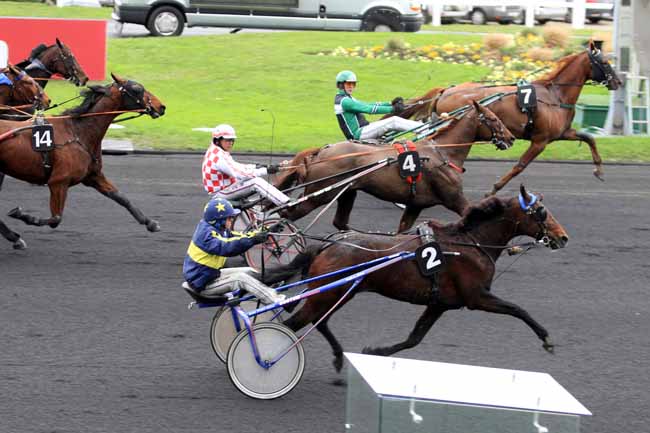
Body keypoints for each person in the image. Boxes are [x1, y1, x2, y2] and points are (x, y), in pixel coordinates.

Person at [182, 197, 285, 304]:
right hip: (203, 284)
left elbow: (241, 237)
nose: (232, 220)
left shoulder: (219, 229)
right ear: (219, 220)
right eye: (230, 218)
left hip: (211, 274)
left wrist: (266, 231)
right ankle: (276, 300)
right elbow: (228, 247)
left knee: (250, 271)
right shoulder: (206, 236)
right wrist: (253, 239)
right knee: (240, 278)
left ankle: (267, 290)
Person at [202, 124, 290, 207]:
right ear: (217, 140)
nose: (231, 143)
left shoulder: (216, 150)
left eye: (232, 140)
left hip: (226, 189)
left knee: (251, 178)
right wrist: (266, 170)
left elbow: (236, 166)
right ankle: (285, 203)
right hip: (220, 194)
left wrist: (256, 166)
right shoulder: (219, 157)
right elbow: (240, 174)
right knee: (256, 182)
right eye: (227, 140)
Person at [334, 70, 423, 141]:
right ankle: (422, 128)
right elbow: (368, 109)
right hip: (359, 134)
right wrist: (393, 109)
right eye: (348, 84)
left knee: (392, 126)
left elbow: (367, 104)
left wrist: (390, 103)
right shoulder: (344, 101)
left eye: (353, 84)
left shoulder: (346, 98)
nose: (351, 86)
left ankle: (418, 126)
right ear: (341, 85)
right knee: (393, 121)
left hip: (364, 129)